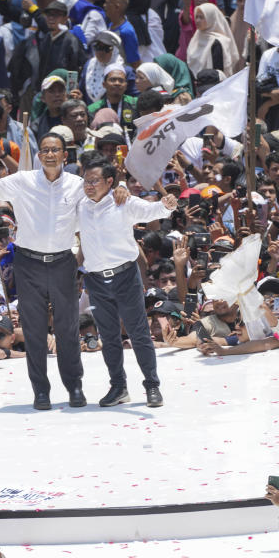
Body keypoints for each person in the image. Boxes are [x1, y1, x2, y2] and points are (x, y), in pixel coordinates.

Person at [0, 133, 126, 409]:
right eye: (45, 150)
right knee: (33, 329)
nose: (50, 154)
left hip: (63, 262)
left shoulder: (79, 186)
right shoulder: (23, 181)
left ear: (65, 156)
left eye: (56, 149)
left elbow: (105, 197)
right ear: (39, 156)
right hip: (28, 263)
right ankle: (40, 391)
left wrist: (122, 185)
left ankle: (74, 387)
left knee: (67, 328)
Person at [78, 159, 176, 407]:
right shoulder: (79, 206)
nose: (88, 186)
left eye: (94, 181)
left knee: (138, 333)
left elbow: (152, 211)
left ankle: (152, 385)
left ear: (109, 182)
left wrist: (166, 205)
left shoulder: (123, 201)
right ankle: (118, 387)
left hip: (125, 276)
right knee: (108, 336)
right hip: (96, 279)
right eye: (86, 180)